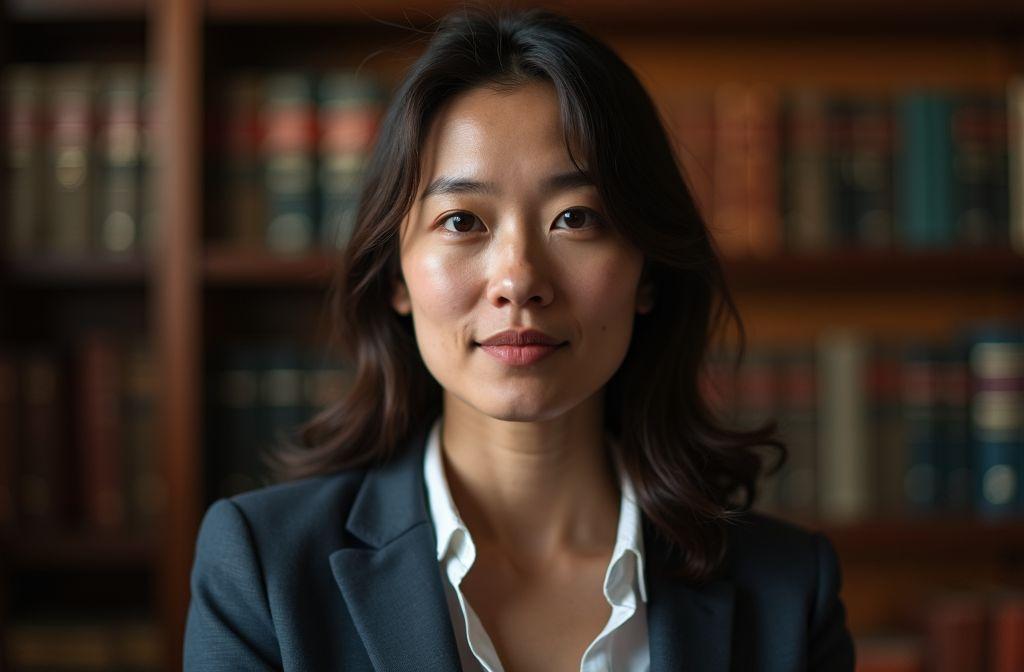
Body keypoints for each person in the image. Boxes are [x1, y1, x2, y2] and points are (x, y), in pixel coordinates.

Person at [183, 6, 856, 671]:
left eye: (575, 218)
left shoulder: (789, 590)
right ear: (397, 275)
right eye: (461, 222)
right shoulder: (264, 568)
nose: (519, 280)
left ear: (647, 272)